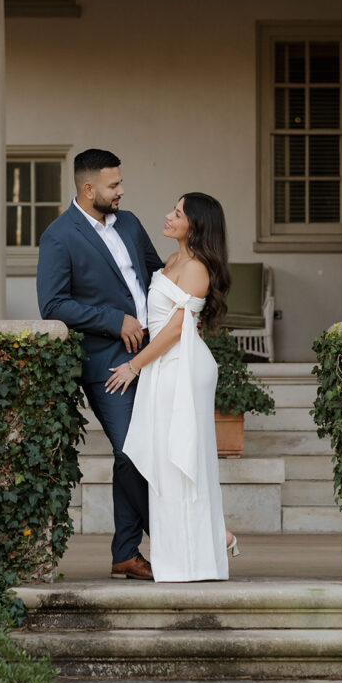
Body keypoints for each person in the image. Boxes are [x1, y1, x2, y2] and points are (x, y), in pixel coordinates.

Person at [37, 149, 163, 580]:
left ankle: (125, 553)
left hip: (154, 355)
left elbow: (156, 275)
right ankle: (172, 537)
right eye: (114, 185)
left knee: (144, 452)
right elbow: (53, 304)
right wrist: (115, 320)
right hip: (107, 363)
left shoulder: (129, 223)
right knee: (130, 449)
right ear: (88, 189)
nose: (121, 190)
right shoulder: (59, 236)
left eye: (120, 182)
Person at [105, 193, 237, 582]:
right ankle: (203, 543)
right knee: (162, 461)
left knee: (180, 457)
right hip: (162, 366)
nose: (168, 216)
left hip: (180, 368)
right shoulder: (172, 260)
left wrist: (134, 366)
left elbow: (177, 329)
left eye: (177, 213)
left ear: (195, 225)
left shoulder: (196, 268)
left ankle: (200, 551)